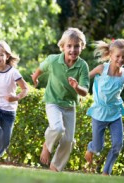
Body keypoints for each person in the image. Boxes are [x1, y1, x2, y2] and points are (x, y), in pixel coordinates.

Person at [31, 27, 90, 172]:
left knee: (69, 140)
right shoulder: (53, 60)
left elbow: (85, 91)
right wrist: (35, 78)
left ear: (82, 47)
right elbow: (40, 68)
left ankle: (55, 168)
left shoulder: (83, 66)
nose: (73, 49)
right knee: (57, 128)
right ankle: (47, 145)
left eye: (77, 46)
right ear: (62, 46)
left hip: (70, 105)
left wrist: (77, 87)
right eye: (69, 46)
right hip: (53, 102)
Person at [84, 39, 124, 175]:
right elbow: (86, 78)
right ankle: (91, 147)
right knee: (98, 147)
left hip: (115, 114)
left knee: (118, 144)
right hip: (99, 113)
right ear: (110, 55)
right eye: (118, 56)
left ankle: (107, 172)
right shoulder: (101, 69)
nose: (121, 59)